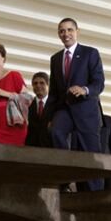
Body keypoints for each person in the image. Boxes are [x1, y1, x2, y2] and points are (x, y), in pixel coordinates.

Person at [46, 18, 105, 191]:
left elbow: (99, 82)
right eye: (62, 31)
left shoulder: (90, 53)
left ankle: (96, 194)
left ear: (77, 32)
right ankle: (66, 179)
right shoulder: (55, 59)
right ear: (59, 34)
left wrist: (85, 89)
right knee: (56, 131)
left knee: (91, 154)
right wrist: (49, 117)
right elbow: (54, 92)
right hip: (65, 109)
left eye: (69, 30)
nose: (66, 34)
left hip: (86, 110)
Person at [25, 72, 52, 147]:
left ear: (48, 85)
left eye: (42, 83)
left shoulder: (55, 105)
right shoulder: (28, 105)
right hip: (32, 149)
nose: (38, 85)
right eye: (35, 83)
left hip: (51, 149)